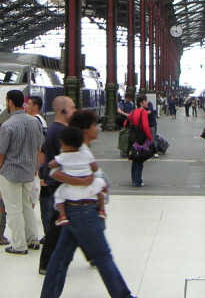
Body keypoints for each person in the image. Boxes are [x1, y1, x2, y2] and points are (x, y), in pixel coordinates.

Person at [40, 124, 135, 298]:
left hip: (72, 209)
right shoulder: (81, 151)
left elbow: (50, 168)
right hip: (84, 211)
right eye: (92, 125)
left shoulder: (68, 153)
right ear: (84, 131)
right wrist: (82, 181)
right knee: (102, 256)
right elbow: (91, 173)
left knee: (60, 258)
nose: (97, 128)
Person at [0, 89, 44, 255]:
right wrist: (35, 167)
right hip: (29, 172)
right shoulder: (34, 122)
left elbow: (0, 152)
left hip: (10, 173)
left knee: (13, 209)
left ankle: (19, 245)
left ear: (9, 103)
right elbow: (38, 148)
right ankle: (33, 239)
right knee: (27, 207)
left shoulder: (7, 126)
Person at [39, 96, 76, 273]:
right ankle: (46, 263)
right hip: (60, 183)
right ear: (63, 111)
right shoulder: (60, 132)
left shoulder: (56, 129)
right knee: (57, 224)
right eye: (73, 108)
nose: (75, 111)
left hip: (58, 182)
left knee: (65, 221)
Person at [49, 126, 106, 225]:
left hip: (71, 189)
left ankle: (62, 215)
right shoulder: (86, 154)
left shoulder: (64, 156)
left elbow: (51, 165)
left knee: (58, 194)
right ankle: (102, 209)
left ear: (66, 145)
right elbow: (95, 168)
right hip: (89, 185)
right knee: (101, 186)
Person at [126, 94, 153, 187]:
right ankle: (138, 180)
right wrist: (150, 138)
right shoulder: (143, 112)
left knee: (134, 158)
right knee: (140, 159)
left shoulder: (133, 112)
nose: (147, 102)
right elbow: (146, 127)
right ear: (141, 103)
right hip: (141, 139)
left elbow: (126, 123)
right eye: (145, 101)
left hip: (133, 138)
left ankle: (134, 178)